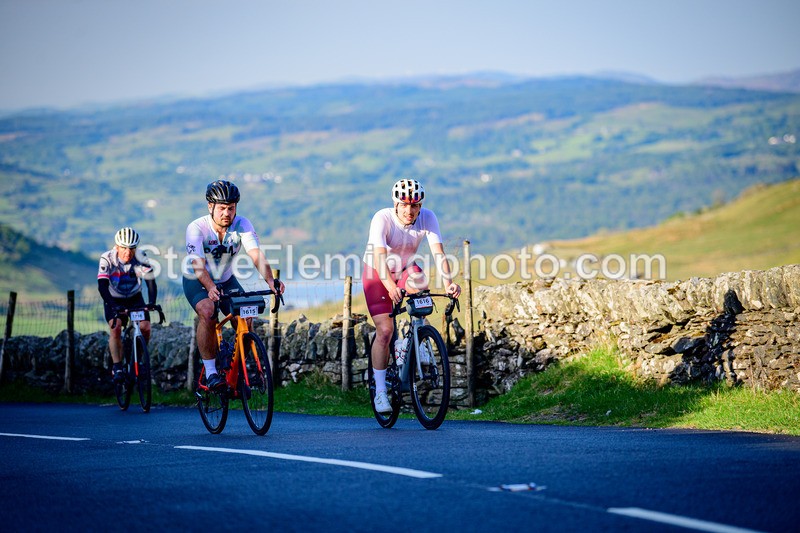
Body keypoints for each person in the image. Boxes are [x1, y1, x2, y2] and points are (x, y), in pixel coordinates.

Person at [362, 178, 461, 413]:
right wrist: (389, 285)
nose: (410, 211)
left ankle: (415, 337)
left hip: (405, 268)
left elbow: (438, 252)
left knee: (421, 282)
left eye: (415, 205)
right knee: (385, 331)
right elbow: (378, 257)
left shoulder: (428, 217)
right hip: (378, 272)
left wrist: (448, 283)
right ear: (396, 204)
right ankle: (381, 393)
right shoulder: (382, 218)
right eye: (405, 205)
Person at [183, 179, 284, 391]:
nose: (226, 213)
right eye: (221, 208)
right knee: (208, 312)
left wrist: (270, 281)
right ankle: (211, 373)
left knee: (246, 317)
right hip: (197, 280)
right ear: (210, 207)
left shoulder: (243, 225)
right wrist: (210, 287)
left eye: (231, 208)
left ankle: (236, 372)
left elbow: (255, 254)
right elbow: (198, 266)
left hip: (227, 280)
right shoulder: (196, 228)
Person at [97, 227, 157, 384]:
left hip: (134, 297)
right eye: (124, 248)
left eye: (131, 248)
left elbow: (151, 282)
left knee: (145, 327)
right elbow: (102, 286)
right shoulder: (107, 258)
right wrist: (112, 306)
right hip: (113, 299)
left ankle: (139, 358)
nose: (128, 252)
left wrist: (151, 302)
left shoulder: (140, 257)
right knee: (115, 328)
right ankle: (117, 367)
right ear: (117, 246)